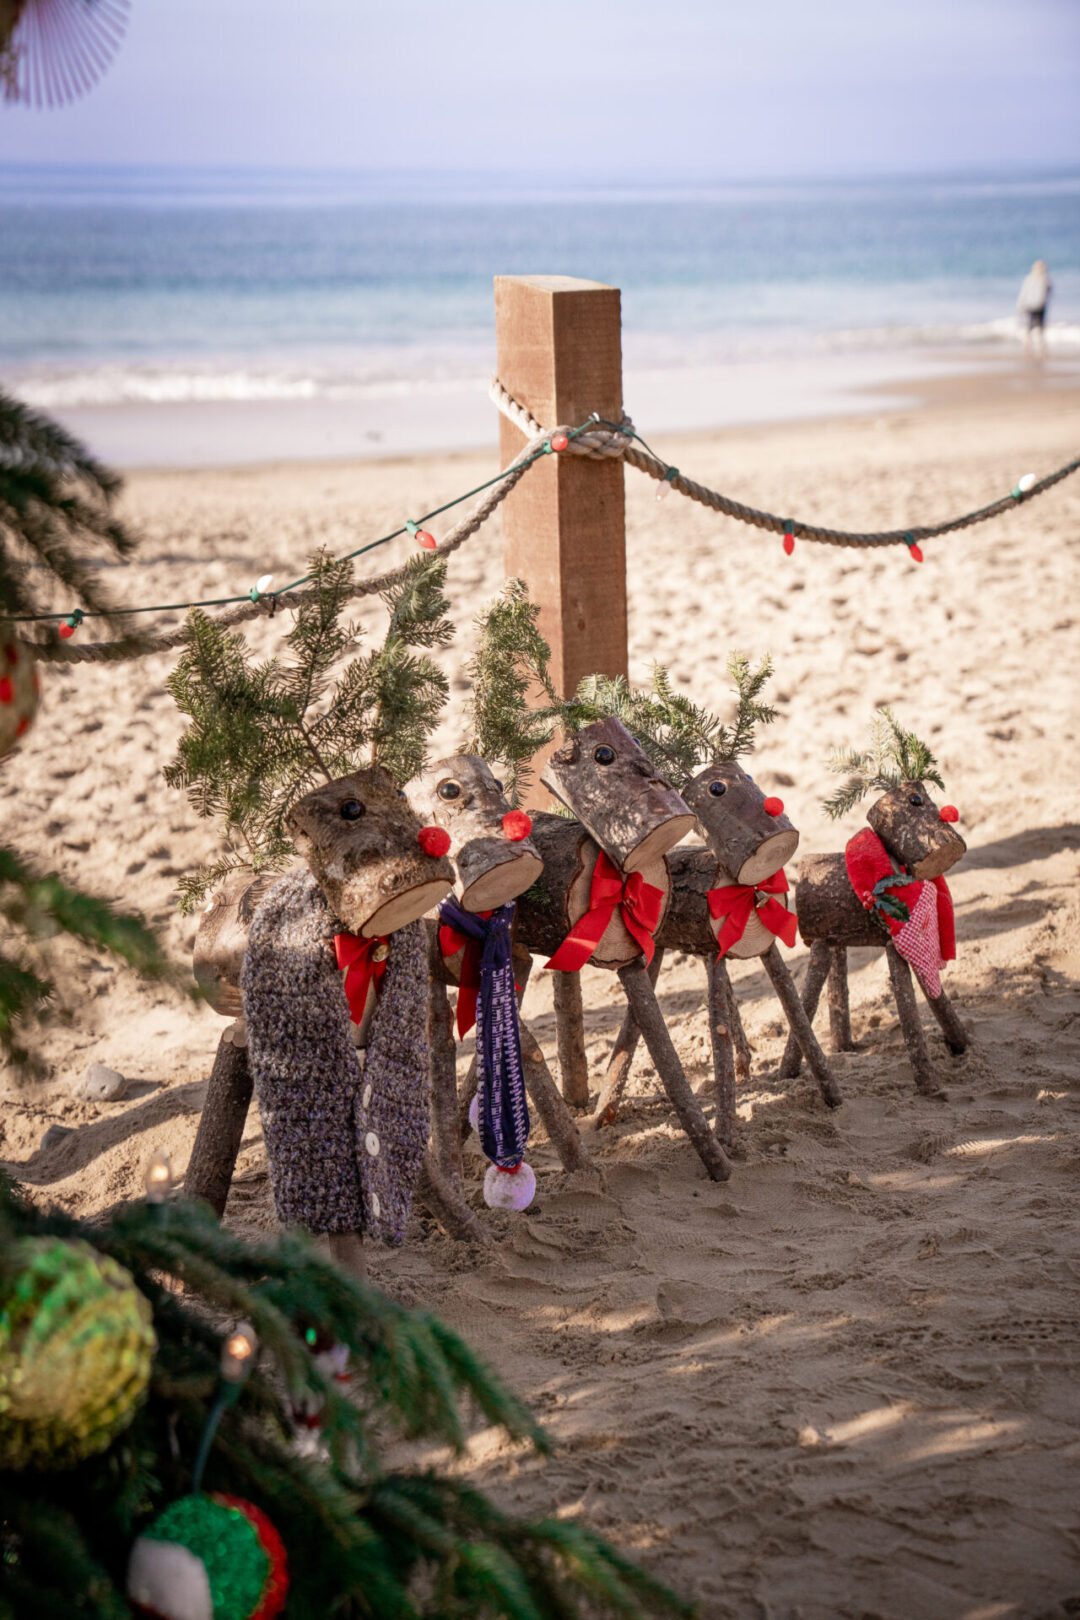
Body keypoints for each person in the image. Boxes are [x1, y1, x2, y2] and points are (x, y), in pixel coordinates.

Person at [1017, 259, 1051, 358]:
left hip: (1035, 306)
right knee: (1035, 327)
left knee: (1035, 327)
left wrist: (1020, 305)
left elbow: (1047, 293)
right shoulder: (1043, 279)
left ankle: (1033, 344)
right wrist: (1021, 304)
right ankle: (1032, 344)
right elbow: (1025, 293)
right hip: (1034, 306)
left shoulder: (1043, 279)